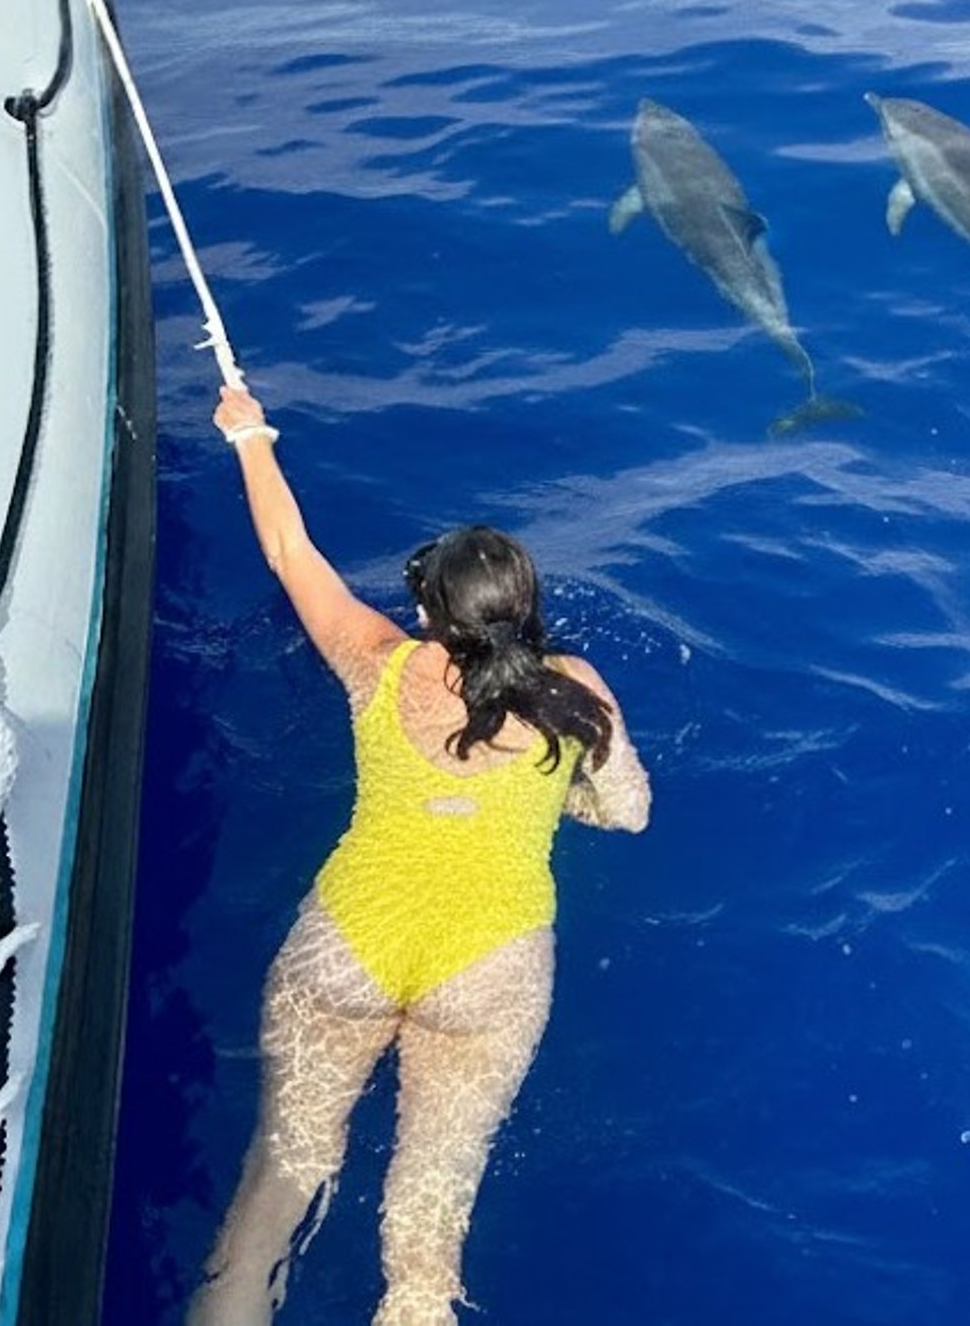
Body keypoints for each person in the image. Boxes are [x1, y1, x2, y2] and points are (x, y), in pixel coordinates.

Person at [188, 384, 652, 1326]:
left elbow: (290, 553)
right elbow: (630, 814)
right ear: (523, 612)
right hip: (489, 969)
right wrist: (561, 797)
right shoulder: (575, 690)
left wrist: (250, 436)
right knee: (426, 1230)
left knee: (278, 1184)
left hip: (346, 945)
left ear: (429, 614)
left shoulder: (377, 660)